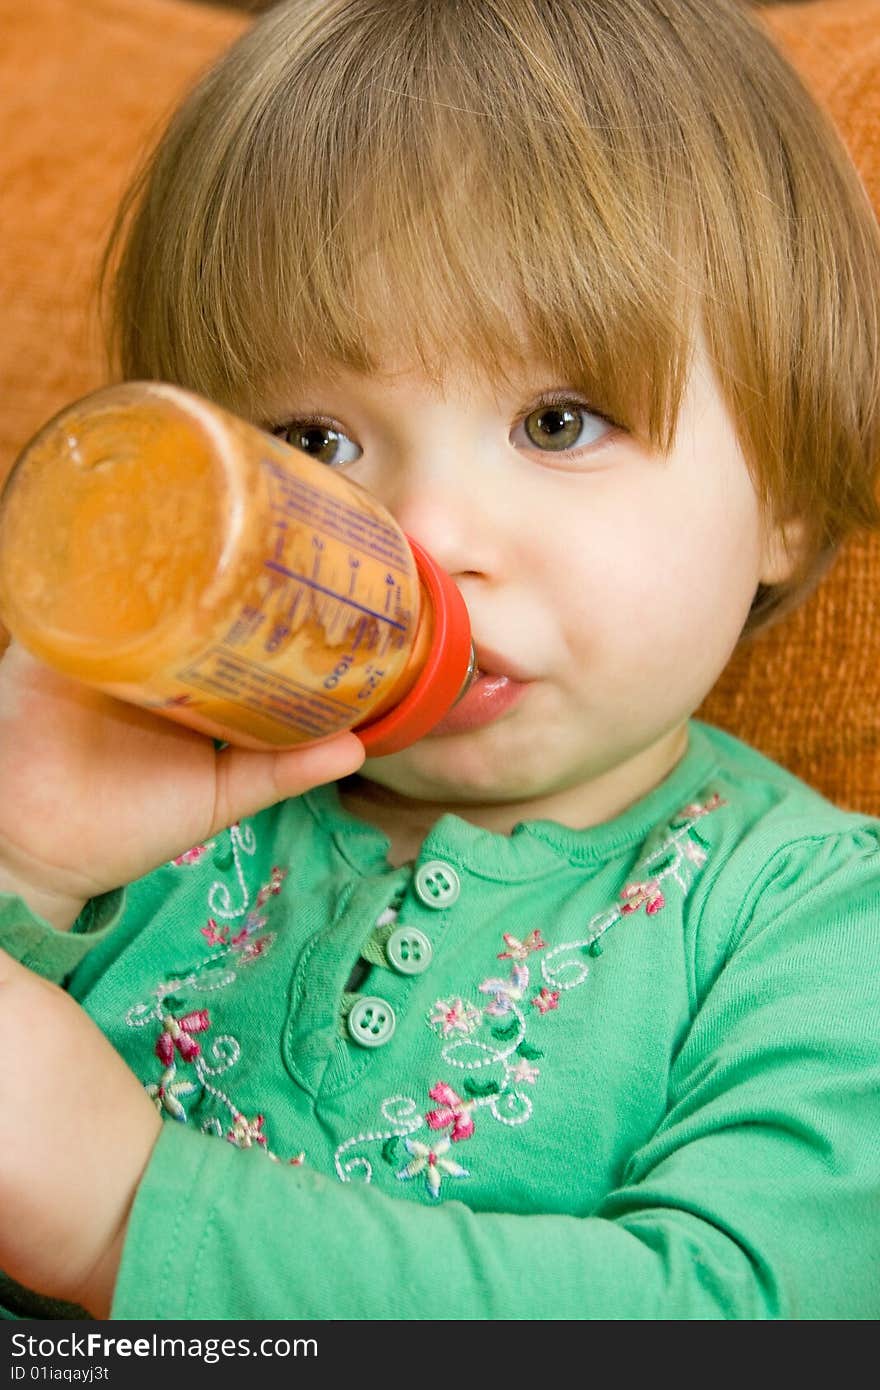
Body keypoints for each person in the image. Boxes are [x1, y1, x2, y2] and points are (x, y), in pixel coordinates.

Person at [1, 0, 879, 1322]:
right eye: (314, 441)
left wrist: (129, 1216)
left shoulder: (808, 920)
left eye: (558, 419)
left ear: (784, 496)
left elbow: (746, 1314)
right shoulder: (137, 796)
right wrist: (27, 861)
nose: (417, 546)